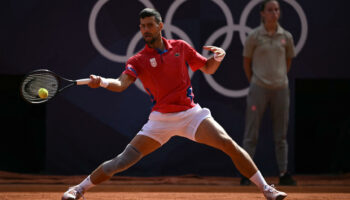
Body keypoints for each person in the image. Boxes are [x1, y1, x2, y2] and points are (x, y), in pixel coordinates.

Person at [62, 8, 287, 200]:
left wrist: (217, 58)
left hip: (191, 115)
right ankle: (78, 189)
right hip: (160, 120)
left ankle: (266, 189)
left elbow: (207, 68)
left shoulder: (180, 47)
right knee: (121, 162)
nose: (146, 30)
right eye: (142, 26)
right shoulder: (137, 60)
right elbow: (120, 84)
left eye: (150, 25)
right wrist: (101, 82)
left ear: (161, 26)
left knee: (228, 144)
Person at [240, 0, 296, 186]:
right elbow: (246, 62)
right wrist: (257, 81)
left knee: (281, 134)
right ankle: (247, 174)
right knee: (251, 133)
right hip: (259, 88)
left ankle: (283, 172)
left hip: (281, 88)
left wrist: (278, 78)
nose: (274, 13)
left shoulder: (286, 37)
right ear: (262, 13)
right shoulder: (254, 37)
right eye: (270, 10)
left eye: (277, 10)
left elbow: (288, 61)